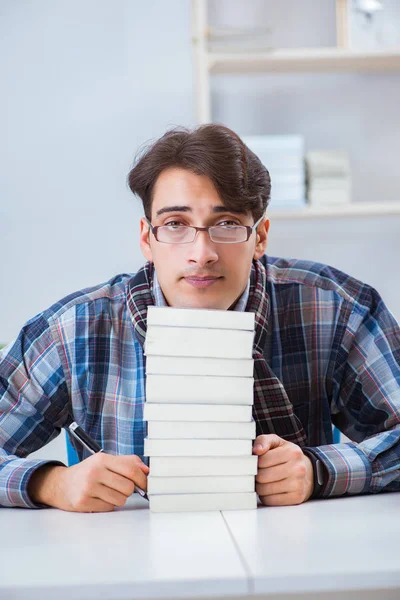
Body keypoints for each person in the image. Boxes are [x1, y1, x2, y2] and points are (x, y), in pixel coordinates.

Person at [1, 124, 399, 512]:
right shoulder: (76, 329)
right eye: (175, 224)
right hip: (129, 558)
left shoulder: (335, 308)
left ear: (259, 237)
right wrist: (50, 483)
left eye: (226, 224)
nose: (202, 253)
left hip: (293, 554)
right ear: (147, 238)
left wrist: (319, 470)